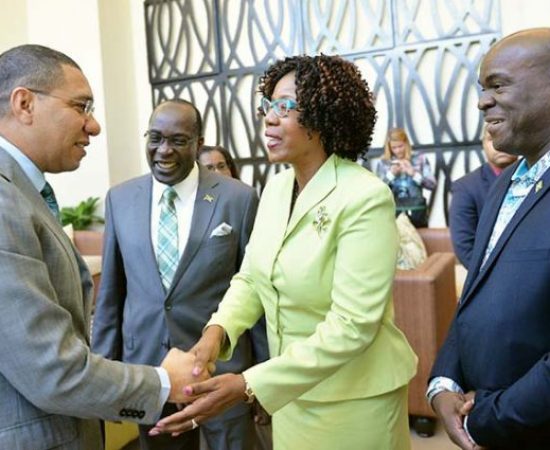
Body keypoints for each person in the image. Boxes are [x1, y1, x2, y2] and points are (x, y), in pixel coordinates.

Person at [148, 55, 418, 450]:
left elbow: (353, 324)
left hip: (354, 398)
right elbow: (251, 278)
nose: (269, 119)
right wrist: (215, 333)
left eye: (285, 106)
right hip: (291, 393)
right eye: (268, 106)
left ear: (324, 116)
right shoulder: (276, 189)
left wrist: (249, 383)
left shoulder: (365, 196)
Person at [0, 44, 204, 450]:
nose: (93, 126)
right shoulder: (5, 201)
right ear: (25, 104)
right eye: (81, 106)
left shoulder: (22, 193)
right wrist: (164, 383)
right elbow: (53, 371)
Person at [91, 99, 268, 450]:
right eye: (155, 138)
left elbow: (255, 290)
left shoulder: (238, 198)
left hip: (222, 371)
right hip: (150, 372)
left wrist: (262, 378)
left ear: (198, 143)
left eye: (178, 140)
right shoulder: (120, 199)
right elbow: (111, 294)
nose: (164, 150)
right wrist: (105, 381)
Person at [427, 28, 550, 450]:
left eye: (498, 86)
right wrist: (444, 382)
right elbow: (475, 295)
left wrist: (488, 418)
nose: (482, 101)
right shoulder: (502, 186)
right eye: (482, 88)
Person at [449, 127, 517, 269]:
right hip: (492, 275)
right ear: (483, 145)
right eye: (492, 139)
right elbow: (464, 247)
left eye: (505, 135)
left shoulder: (540, 177)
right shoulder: (466, 187)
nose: (499, 144)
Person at [376, 128, 436, 227]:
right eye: (394, 147)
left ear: (406, 143)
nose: (398, 150)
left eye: (400, 146)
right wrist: (390, 175)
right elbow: (378, 191)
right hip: (392, 214)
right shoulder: (383, 162)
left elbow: (432, 185)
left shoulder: (419, 158)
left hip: (416, 213)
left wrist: (414, 174)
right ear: (389, 147)